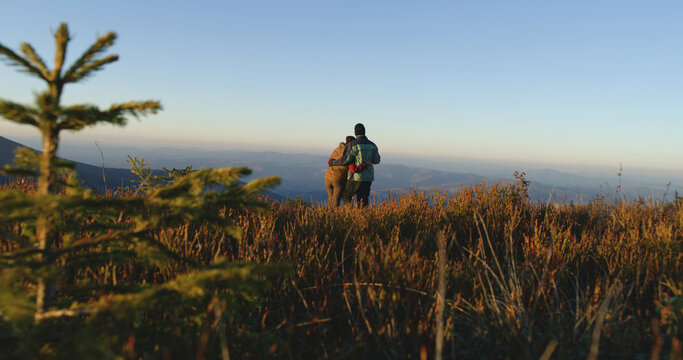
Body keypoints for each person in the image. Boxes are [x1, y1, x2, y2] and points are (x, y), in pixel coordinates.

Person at [328, 123, 380, 207]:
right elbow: (377, 160)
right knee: (363, 200)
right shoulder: (373, 145)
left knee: (347, 197)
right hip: (368, 177)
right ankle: (363, 217)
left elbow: (345, 160)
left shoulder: (353, 144)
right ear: (364, 132)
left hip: (355, 176)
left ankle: (349, 216)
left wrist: (332, 162)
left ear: (355, 132)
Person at [325, 136, 355, 206]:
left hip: (327, 177)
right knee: (336, 201)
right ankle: (334, 216)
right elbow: (352, 168)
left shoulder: (337, 149)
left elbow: (329, 161)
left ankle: (327, 214)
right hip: (337, 179)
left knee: (330, 199)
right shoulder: (350, 153)